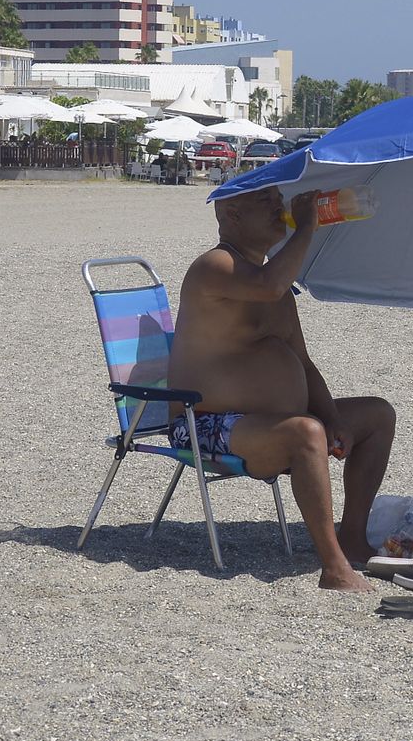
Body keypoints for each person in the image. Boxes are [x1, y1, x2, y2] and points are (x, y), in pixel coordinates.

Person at [167, 186, 397, 590]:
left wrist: (332, 417)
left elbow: (302, 362)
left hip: (272, 421)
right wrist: (308, 223)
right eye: (265, 202)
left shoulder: (273, 281)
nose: (279, 207)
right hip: (203, 423)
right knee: (305, 433)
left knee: (376, 414)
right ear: (233, 216)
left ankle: (353, 537)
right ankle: (334, 568)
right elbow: (269, 285)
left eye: (279, 199)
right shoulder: (214, 266)